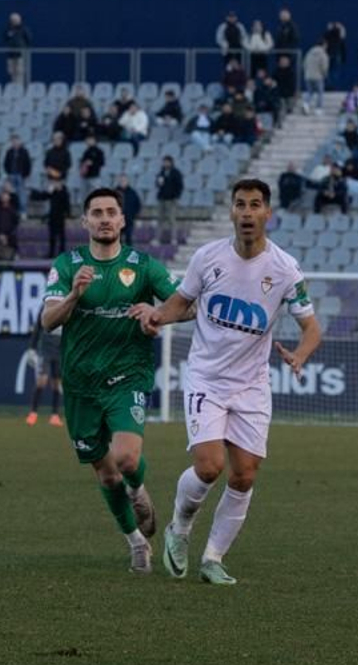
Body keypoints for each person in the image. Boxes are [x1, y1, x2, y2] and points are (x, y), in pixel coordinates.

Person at [143, 179, 324, 585]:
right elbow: (181, 303)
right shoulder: (208, 257)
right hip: (206, 377)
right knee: (209, 467)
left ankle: (213, 558)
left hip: (252, 385)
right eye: (240, 204)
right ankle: (179, 529)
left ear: (267, 213)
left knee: (244, 475)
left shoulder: (285, 269)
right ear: (231, 212)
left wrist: (300, 355)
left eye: (255, 205)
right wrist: (156, 316)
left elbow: (312, 328)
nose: (246, 212)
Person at [43, 187, 179, 574]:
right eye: (97, 213)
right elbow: (48, 321)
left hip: (127, 375)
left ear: (122, 220)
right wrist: (74, 295)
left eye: (111, 212)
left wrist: (156, 313)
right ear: (85, 221)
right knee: (105, 473)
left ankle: (137, 489)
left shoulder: (143, 266)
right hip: (80, 383)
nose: (104, 219)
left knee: (126, 458)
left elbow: (185, 304)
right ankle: (136, 542)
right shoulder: (67, 264)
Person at [25, 318, 63, 427]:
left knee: (56, 384)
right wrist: (32, 348)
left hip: (59, 350)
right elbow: (37, 328)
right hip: (46, 349)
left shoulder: (66, 310)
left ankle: (55, 415)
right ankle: (33, 413)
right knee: (42, 380)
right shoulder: (45, 308)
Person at [155, 156, 184, 243]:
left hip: (171, 200)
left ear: (171, 163)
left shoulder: (176, 173)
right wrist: (158, 183)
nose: (166, 164)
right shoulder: (161, 173)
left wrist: (176, 196)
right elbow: (157, 184)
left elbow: (180, 186)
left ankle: (173, 238)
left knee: (172, 220)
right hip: (162, 199)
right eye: (164, 162)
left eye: (167, 162)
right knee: (160, 220)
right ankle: (157, 238)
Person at [42, 177, 71, 258]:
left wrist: (68, 214)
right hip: (52, 216)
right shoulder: (52, 192)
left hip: (60, 216)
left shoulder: (64, 192)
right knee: (52, 236)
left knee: (61, 236)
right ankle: (51, 253)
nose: (55, 184)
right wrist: (49, 192)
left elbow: (67, 204)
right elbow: (44, 197)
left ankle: (62, 252)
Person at [3, 135, 32, 206]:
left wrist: (26, 174)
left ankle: (22, 209)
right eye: (13, 142)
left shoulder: (24, 151)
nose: (14, 143)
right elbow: (6, 163)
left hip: (21, 175)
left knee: (21, 192)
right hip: (12, 174)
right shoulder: (9, 152)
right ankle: (13, 207)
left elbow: (28, 163)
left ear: (19, 142)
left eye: (16, 141)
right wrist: (8, 172)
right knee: (11, 191)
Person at [4, 12, 32, 86]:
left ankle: (20, 87)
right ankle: (13, 86)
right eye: (12, 20)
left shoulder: (24, 29)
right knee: (12, 72)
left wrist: (23, 48)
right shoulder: (8, 29)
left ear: (19, 20)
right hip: (11, 54)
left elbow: (28, 39)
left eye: (15, 20)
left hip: (20, 54)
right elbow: (5, 38)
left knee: (20, 72)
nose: (14, 21)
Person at [302, 38, 329, 114]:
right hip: (318, 76)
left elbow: (304, 64)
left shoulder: (309, 53)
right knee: (320, 93)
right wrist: (324, 74)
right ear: (323, 45)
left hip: (308, 76)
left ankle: (306, 103)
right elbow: (324, 66)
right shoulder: (323, 54)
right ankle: (318, 109)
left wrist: (306, 72)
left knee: (310, 91)